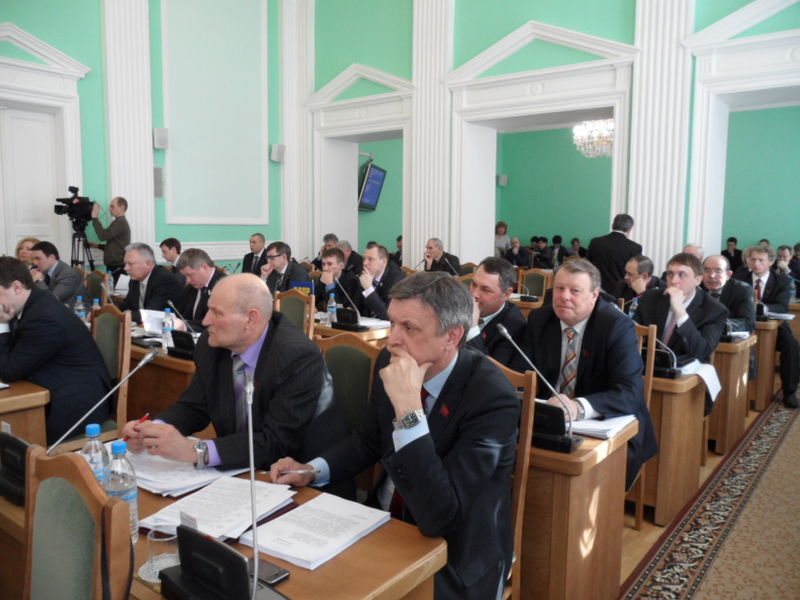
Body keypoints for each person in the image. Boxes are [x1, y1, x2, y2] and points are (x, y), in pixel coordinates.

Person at [272, 272, 520, 600]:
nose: (393, 340)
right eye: (393, 323)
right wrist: (313, 469)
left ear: (452, 336)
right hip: (385, 523)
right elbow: (370, 440)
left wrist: (408, 410)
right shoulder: (392, 360)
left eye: (409, 328)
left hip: (455, 555)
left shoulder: (491, 397)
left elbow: (440, 517)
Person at [122, 274, 347, 470]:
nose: (205, 321)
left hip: (298, 478)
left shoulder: (296, 356)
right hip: (239, 470)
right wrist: (154, 431)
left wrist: (196, 451)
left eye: (216, 313)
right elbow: (194, 406)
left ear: (251, 319)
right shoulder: (211, 345)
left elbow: (276, 442)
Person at [515, 259, 657, 490]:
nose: (564, 296)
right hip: (549, 422)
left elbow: (629, 392)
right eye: (559, 288)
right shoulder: (540, 319)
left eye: (575, 291)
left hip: (603, 423)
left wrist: (578, 407)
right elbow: (523, 371)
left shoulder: (616, 326)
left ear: (594, 295)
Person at [0, 257, 111, 443]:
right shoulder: (30, 304)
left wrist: (1, 324)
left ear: (17, 287)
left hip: (75, 405)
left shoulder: (44, 316)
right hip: (49, 387)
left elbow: (9, 370)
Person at [634, 252, 728, 415]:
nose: (674, 280)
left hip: (684, 378)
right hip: (645, 369)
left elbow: (702, 351)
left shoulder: (714, 310)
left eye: (682, 275)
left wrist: (680, 311)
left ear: (698, 280)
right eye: (670, 274)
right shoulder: (652, 297)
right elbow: (634, 335)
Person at [733, 245, 799, 409]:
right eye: (753, 259)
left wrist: (761, 307)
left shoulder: (781, 281)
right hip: (744, 324)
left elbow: (782, 307)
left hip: (774, 325)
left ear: (771, 262)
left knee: (792, 345)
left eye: (761, 260)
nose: (756, 264)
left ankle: (789, 391)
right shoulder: (739, 278)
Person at [466, 257, 525, 367]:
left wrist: (472, 327)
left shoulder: (515, 326)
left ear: (507, 294)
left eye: (485, 290)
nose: (474, 294)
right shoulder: (460, 305)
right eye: (473, 284)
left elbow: (491, 371)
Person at [119, 242, 184, 323]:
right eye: (125, 264)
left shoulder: (164, 280)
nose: (126, 268)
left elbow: (150, 314)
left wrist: (125, 314)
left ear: (148, 263)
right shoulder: (135, 280)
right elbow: (127, 305)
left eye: (130, 264)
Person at [587, 213, 643, 293]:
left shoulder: (595, 242)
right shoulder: (635, 248)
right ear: (629, 229)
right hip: (623, 292)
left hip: (597, 291)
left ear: (613, 226)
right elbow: (636, 273)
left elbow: (587, 266)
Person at [700, 255, 755, 333]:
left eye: (718, 271)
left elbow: (748, 323)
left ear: (728, 275)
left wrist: (716, 324)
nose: (711, 276)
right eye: (706, 270)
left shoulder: (742, 290)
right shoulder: (696, 288)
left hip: (726, 337)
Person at [174, 249, 225, 331]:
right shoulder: (192, 286)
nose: (188, 280)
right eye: (185, 276)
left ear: (204, 267)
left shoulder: (223, 286)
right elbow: (180, 313)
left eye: (190, 275)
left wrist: (184, 326)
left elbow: (213, 322)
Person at [29, 241, 89, 308]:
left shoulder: (68, 274)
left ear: (51, 258)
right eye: (33, 259)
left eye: (38, 258)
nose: (35, 263)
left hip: (77, 311)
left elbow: (51, 300)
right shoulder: (44, 270)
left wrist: (39, 280)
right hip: (57, 309)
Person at [357, 245, 405, 320]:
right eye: (364, 259)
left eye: (370, 259)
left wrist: (369, 289)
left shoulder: (396, 278)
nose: (365, 263)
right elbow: (357, 307)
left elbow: (388, 315)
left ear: (384, 262)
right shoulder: (365, 276)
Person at [90, 196, 131, 284]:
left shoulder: (120, 222)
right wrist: (97, 246)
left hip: (117, 265)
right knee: (113, 289)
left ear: (122, 207)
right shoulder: (119, 221)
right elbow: (116, 245)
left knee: (116, 290)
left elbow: (102, 236)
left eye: (112, 206)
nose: (109, 209)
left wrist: (95, 217)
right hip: (115, 265)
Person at [315, 248, 360, 312]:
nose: (325, 268)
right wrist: (310, 305)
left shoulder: (351, 280)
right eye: (323, 264)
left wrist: (330, 285)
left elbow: (340, 310)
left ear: (341, 265)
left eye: (329, 264)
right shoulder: (323, 278)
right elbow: (313, 298)